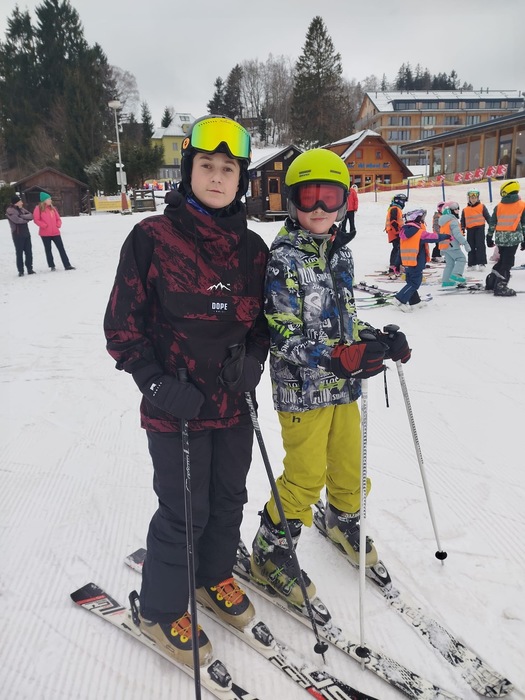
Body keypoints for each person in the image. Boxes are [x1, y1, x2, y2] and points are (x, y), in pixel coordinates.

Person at [103, 115, 269, 665]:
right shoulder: (152, 238)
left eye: (228, 169)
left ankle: (214, 575)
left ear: (240, 179)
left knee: (229, 500)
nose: (217, 177)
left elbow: (261, 327)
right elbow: (122, 327)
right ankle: (159, 610)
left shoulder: (253, 250)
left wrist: (252, 365)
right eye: (206, 165)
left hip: (233, 406)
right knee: (183, 513)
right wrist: (153, 382)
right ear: (189, 171)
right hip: (176, 408)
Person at [249, 148, 412, 608]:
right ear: (293, 201)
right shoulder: (283, 258)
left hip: (344, 386)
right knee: (305, 476)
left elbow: (346, 319)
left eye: (330, 197)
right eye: (309, 197)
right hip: (302, 392)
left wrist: (376, 340)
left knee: (349, 464)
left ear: (344, 201)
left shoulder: (341, 254)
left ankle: (343, 518)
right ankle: (270, 550)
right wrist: (337, 357)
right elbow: (281, 331)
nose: (319, 208)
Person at [393, 208, 451, 310]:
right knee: (415, 283)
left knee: (411, 282)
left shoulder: (403, 232)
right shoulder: (419, 233)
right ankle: (399, 300)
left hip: (407, 263)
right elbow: (434, 237)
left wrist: (397, 264)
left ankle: (415, 302)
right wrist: (446, 236)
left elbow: (400, 250)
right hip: (416, 263)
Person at [485, 180, 525, 297]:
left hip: (500, 239)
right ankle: (501, 287)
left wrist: (489, 236)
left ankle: (492, 281)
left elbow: (492, 223)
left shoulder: (499, 206)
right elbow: (524, 224)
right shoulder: (522, 205)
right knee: (507, 263)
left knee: (502, 260)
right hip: (513, 239)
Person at [33, 192, 75, 271]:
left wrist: (58, 224)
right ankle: (52, 265)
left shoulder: (53, 208)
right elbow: (36, 220)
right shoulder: (38, 208)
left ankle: (67, 265)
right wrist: (44, 225)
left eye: (50, 199)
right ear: (44, 200)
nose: (50, 200)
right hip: (45, 234)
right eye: (49, 199)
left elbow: (58, 218)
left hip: (55, 232)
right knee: (48, 249)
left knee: (61, 248)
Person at [440, 201, 471, 289]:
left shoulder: (444, 221)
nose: (457, 211)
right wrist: (465, 243)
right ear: (450, 211)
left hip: (445, 246)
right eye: (455, 209)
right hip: (452, 245)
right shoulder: (452, 221)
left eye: (458, 209)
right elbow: (457, 234)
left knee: (450, 263)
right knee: (461, 259)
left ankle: (446, 281)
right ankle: (456, 275)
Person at [460, 188, 490, 271]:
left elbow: (487, 217)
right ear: (469, 198)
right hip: (470, 230)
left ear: (477, 198)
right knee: (470, 246)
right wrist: (462, 228)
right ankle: (472, 263)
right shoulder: (465, 210)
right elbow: (463, 220)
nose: (473, 199)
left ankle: (481, 263)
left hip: (479, 228)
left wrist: (491, 225)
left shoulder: (482, 207)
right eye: (471, 198)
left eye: (475, 198)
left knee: (480, 246)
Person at [5, 194, 35, 277]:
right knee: (19, 253)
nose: (22, 203)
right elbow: (17, 220)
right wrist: (26, 219)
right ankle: (21, 270)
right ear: (16, 202)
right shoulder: (10, 210)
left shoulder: (21, 209)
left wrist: (22, 216)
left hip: (26, 233)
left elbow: (31, 215)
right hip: (17, 234)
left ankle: (30, 268)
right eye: (20, 201)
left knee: (29, 252)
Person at [384, 193, 407, 274]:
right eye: (403, 201)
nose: (404, 203)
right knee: (397, 248)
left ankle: (396, 265)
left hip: (395, 231)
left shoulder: (396, 208)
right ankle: (393, 266)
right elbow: (393, 222)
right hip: (394, 232)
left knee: (398, 248)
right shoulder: (395, 209)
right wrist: (397, 232)